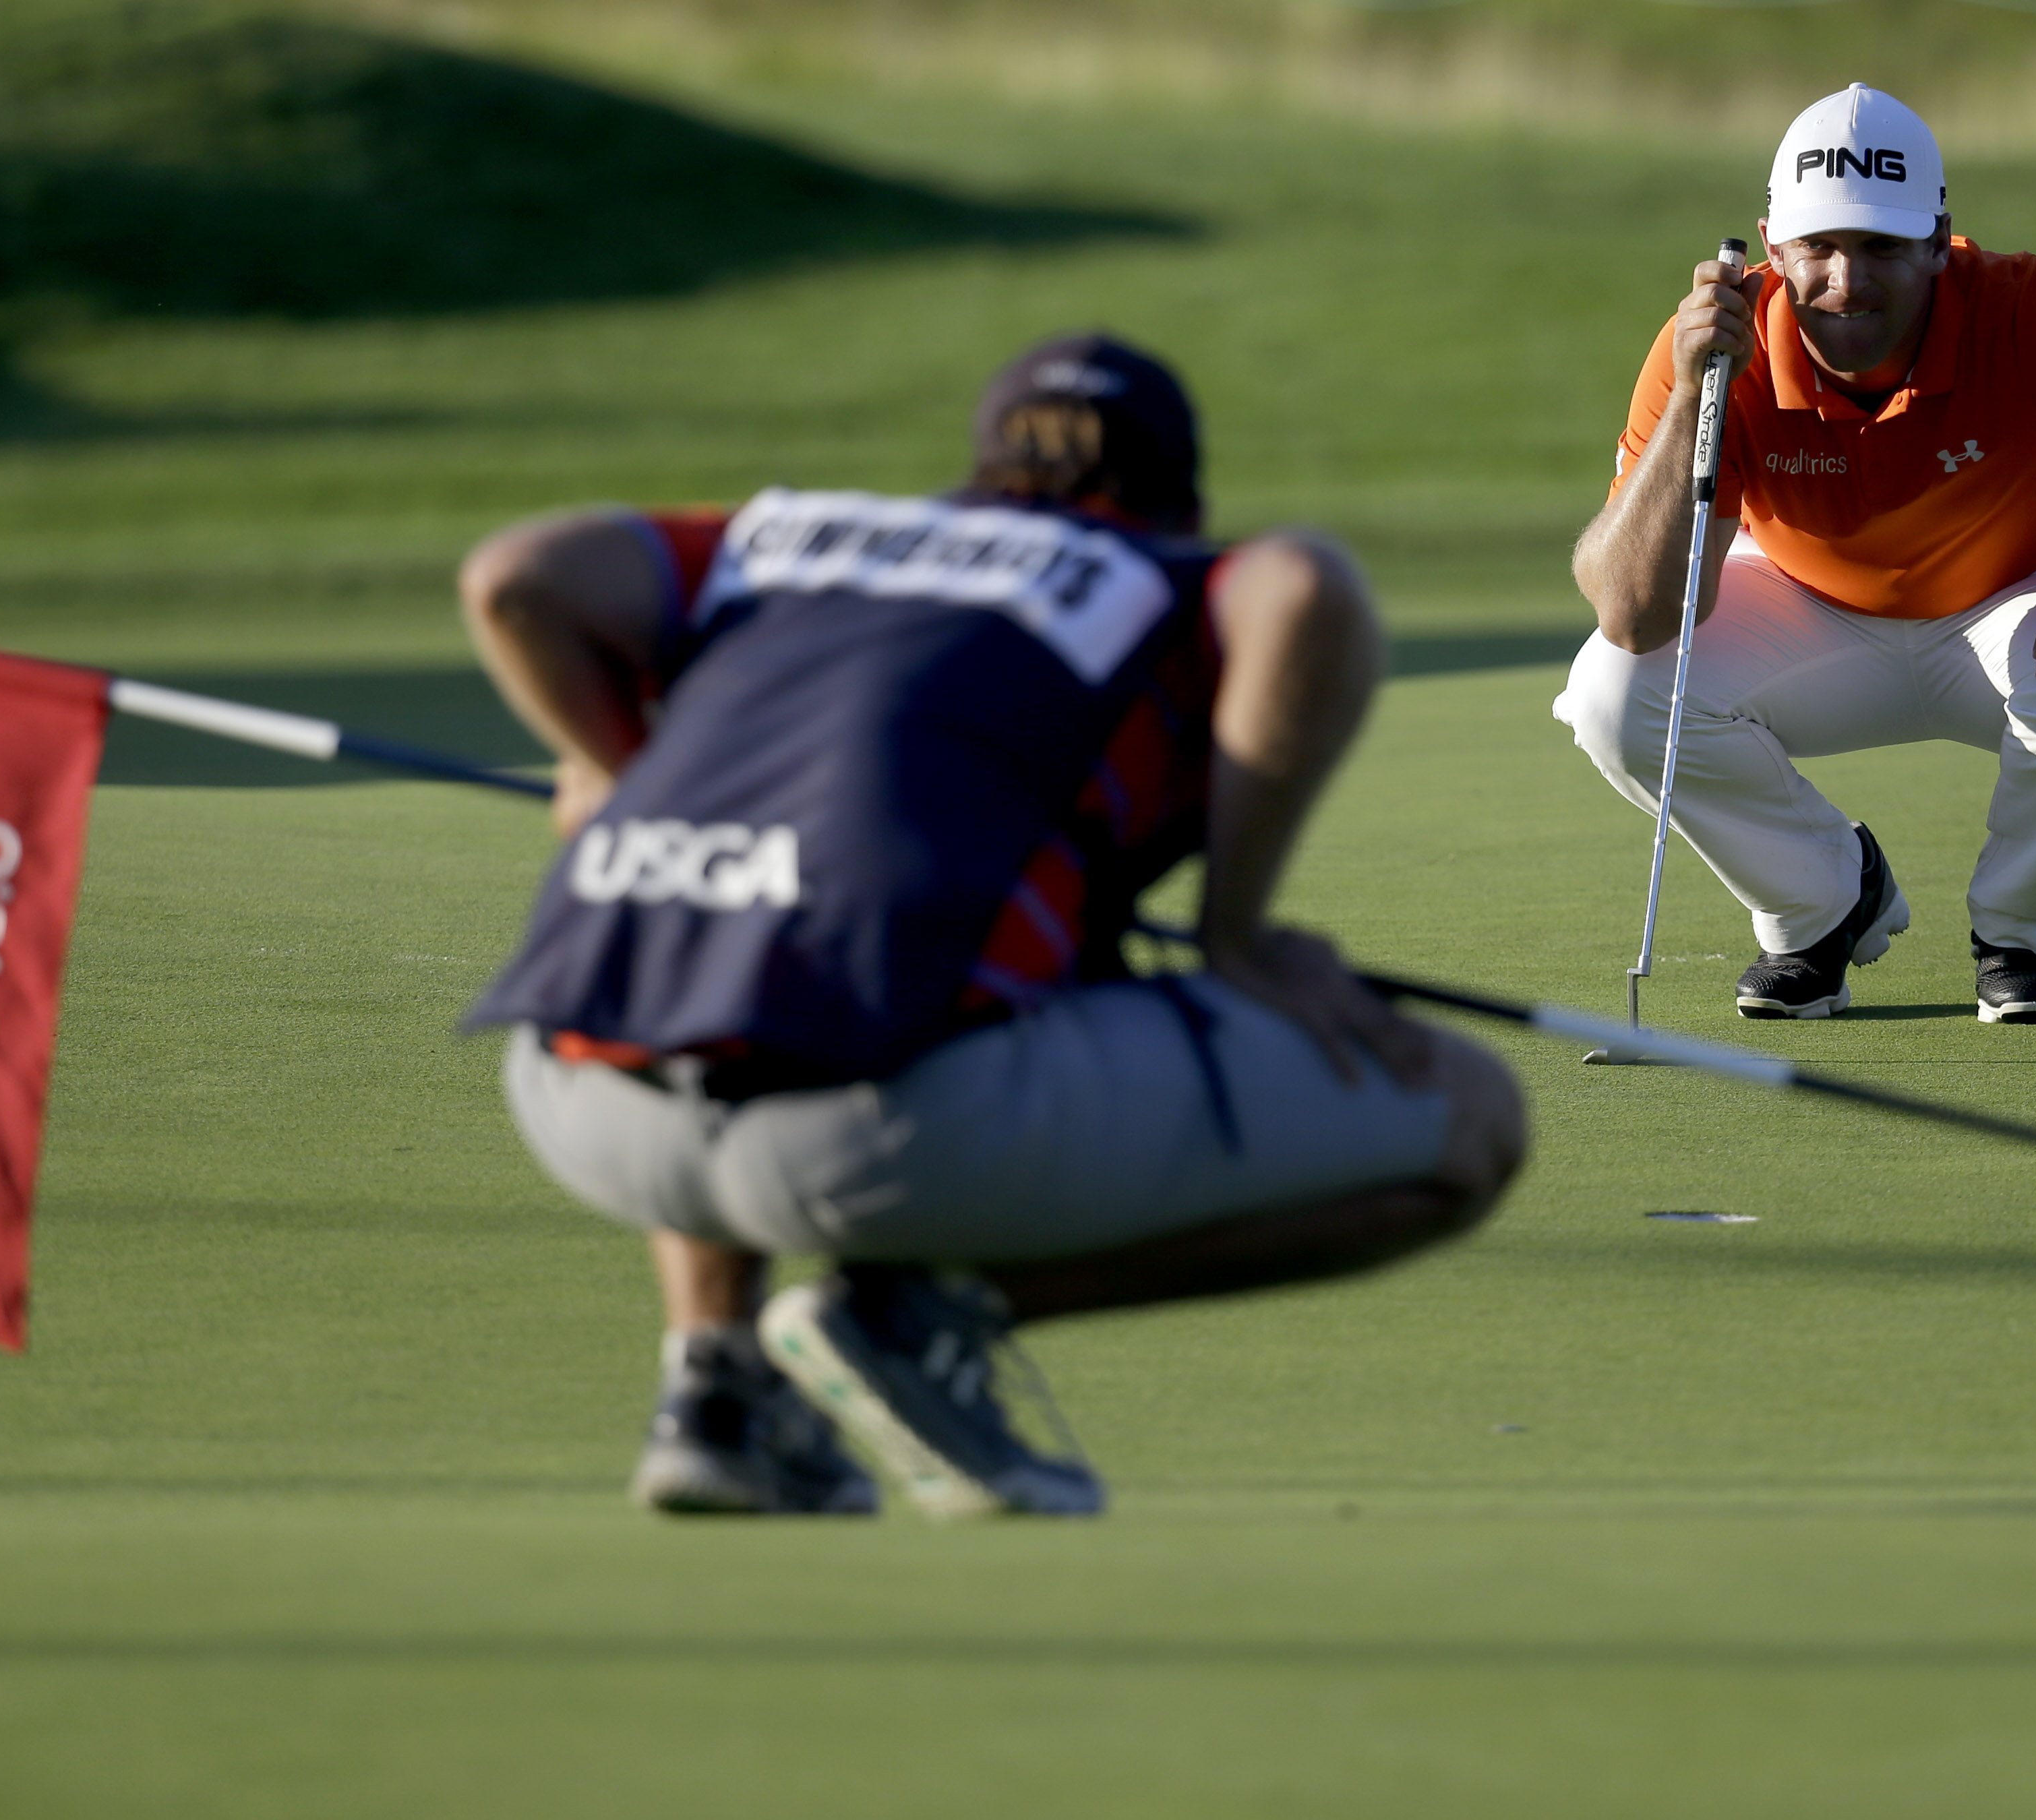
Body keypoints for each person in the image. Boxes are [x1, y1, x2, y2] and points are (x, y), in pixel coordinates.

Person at [456, 334, 1528, 1518]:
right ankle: (915, 1316)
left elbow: (515, 575)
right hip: (890, 1137)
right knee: (1472, 1130)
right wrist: (1237, 931)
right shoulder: (1154, 570)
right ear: (1179, 494)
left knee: (725, 944)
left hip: (577, 1102)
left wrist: (613, 766)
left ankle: (716, 1386)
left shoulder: (783, 538)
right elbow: (1305, 589)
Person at [1555, 84, 2036, 1023]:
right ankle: (1821, 907)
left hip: (2021, 598)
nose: (1848, 280)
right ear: (1773, 247)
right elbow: (1633, 612)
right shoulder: (1713, 351)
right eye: (1820, 248)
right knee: (1615, 692)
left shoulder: (2032, 313)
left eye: (1882, 247)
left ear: (1938, 242)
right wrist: (1692, 399)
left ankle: (2023, 931)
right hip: (1809, 614)